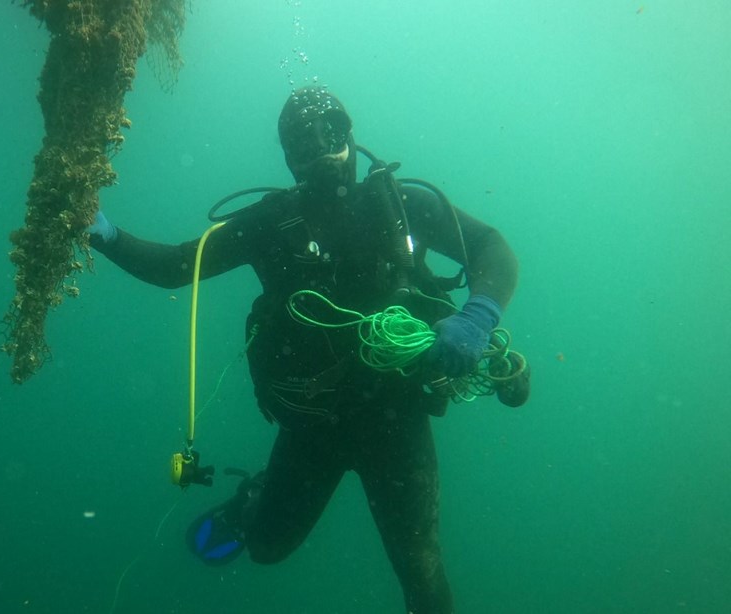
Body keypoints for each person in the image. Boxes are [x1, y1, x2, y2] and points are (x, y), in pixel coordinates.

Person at [87, 86, 519, 614]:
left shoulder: (403, 204)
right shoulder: (267, 224)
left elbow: (491, 247)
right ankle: (253, 498)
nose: (320, 150)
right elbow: (177, 265)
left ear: (352, 134)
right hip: (312, 426)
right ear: (287, 156)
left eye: (331, 133)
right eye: (301, 142)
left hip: (397, 421)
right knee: (268, 549)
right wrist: (104, 235)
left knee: (423, 574)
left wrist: (478, 318)